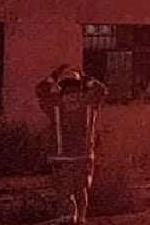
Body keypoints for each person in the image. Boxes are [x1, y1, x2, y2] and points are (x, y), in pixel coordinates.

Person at [35, 65, 107, 225]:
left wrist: (53, 76)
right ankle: (79, 220)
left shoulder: (56, 106)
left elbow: (40, 91)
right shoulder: (88, 104)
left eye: (73, 90)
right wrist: (86, 78)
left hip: (65, 160)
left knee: (67, 195)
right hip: (81, 159)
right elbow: (101, 90)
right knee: (79, 192)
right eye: (69, 91)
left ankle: (72, 220)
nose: (71, 95)